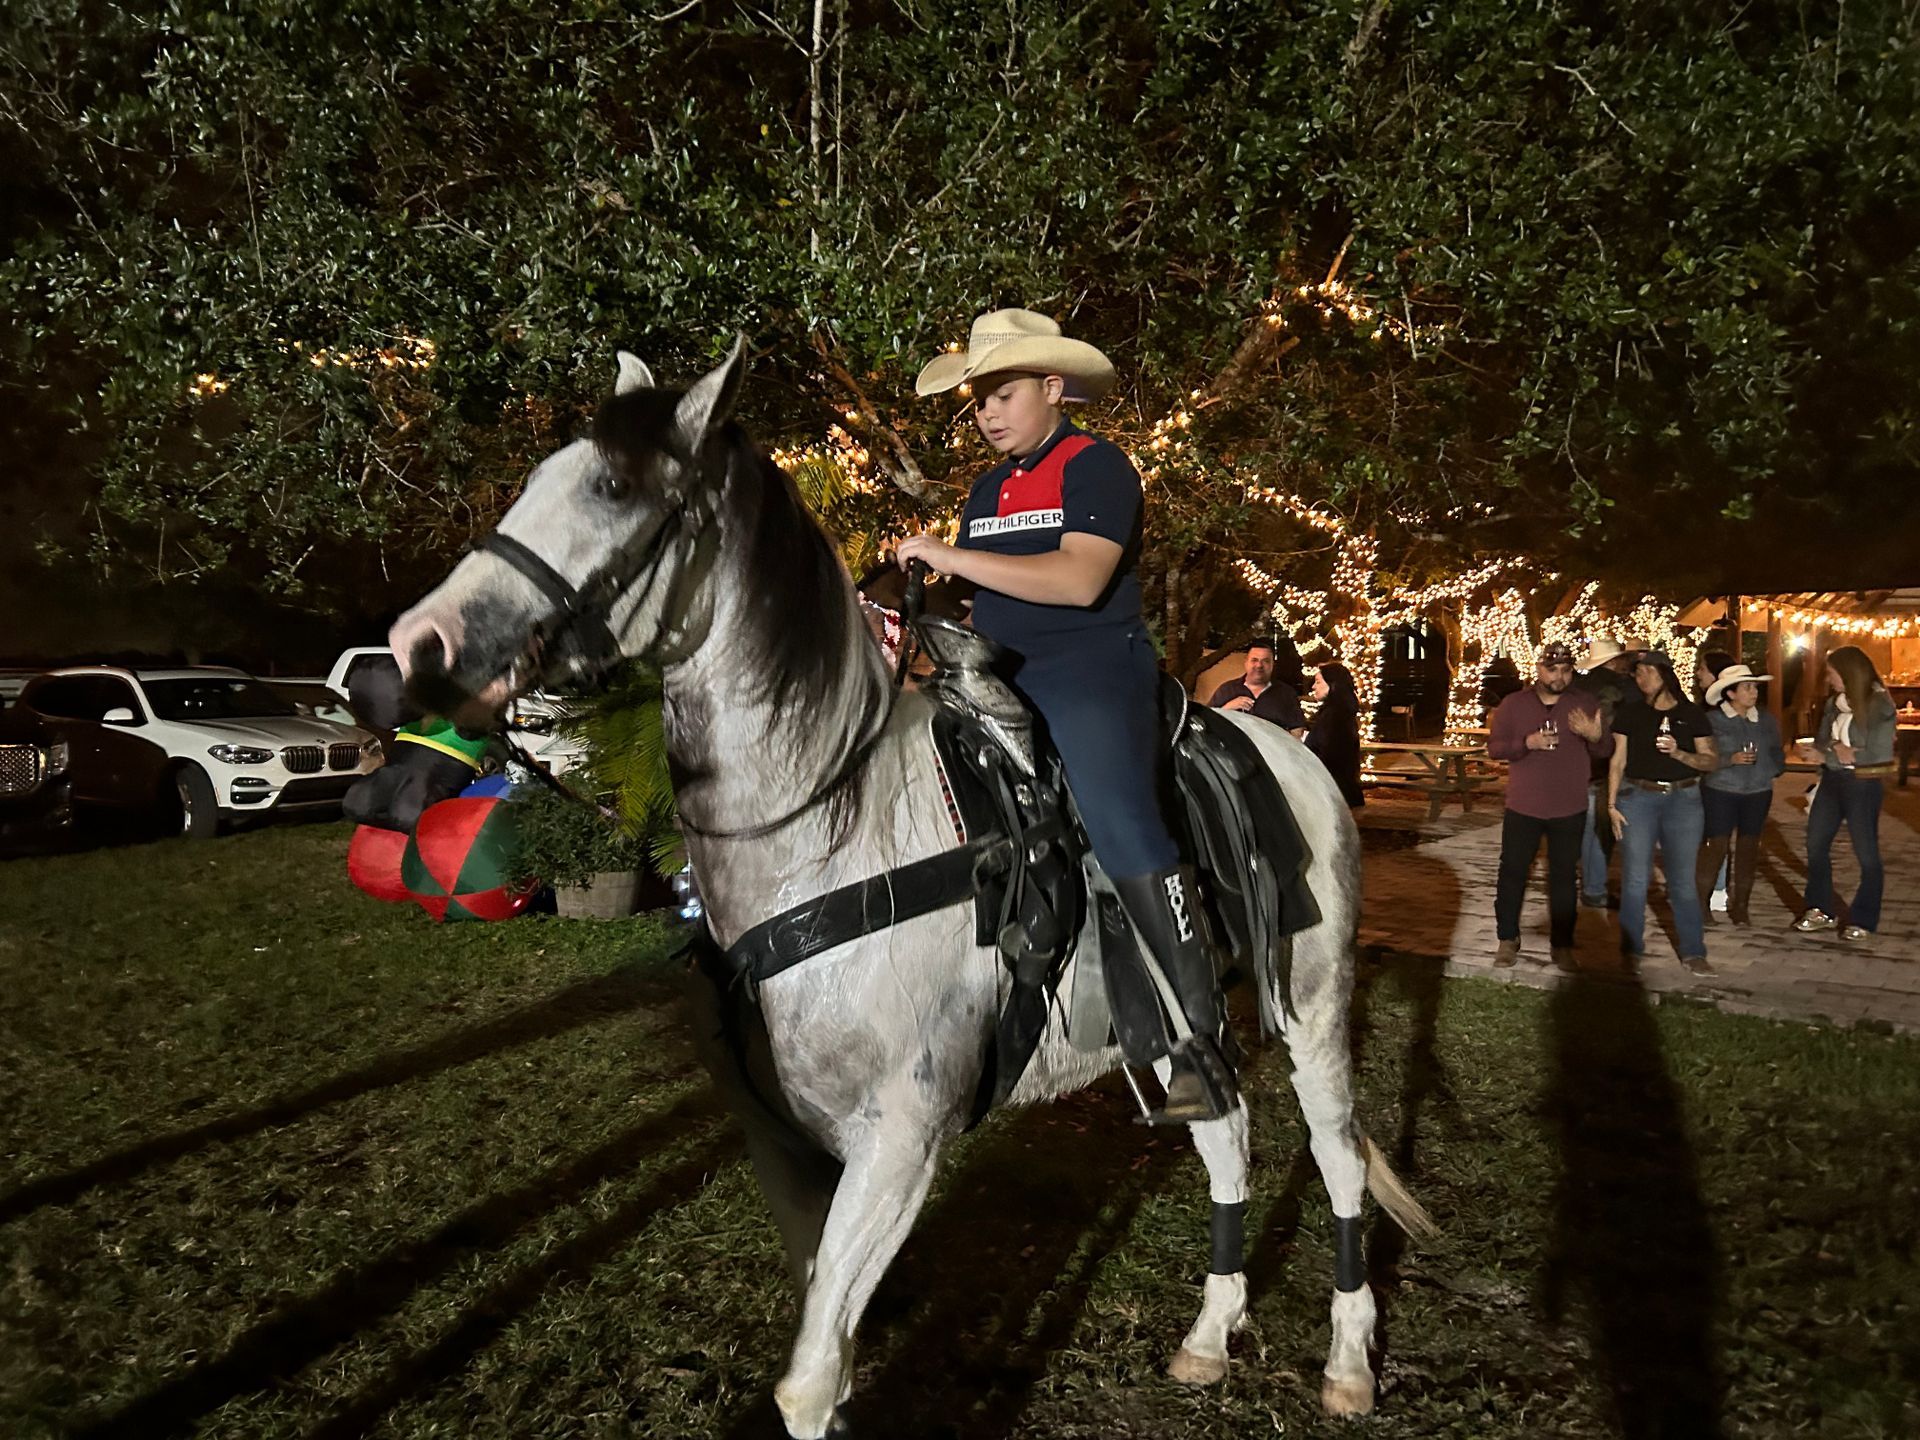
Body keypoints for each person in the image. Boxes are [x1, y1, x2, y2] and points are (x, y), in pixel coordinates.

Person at [897, 308, 1234, 1121]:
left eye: (1001, 394)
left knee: (1120, 821)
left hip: (1088, 670)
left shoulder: (1098, 467)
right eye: (977, 401)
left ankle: (1200, 1038)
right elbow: (990, 586)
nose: (985, 413)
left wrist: (945, 554)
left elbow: (1080, 581)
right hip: (997, 670)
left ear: (1053, 387)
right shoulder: (987, 489)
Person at [1485, 642, 1611, 970]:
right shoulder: (1514, 704)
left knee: (1564, 877)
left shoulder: (1583, 702)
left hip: (1569, 805)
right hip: (1524, 805)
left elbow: (1604, 751)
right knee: (1512, 873)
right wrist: (1526, 743)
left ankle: (1563, 944)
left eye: (1566, 670)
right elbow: (1495, 748)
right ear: (1538, 669)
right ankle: (1507, 938)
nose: (1559, 676)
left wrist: (1596, 735)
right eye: (1552, 669)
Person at [1607, 651, 1718, 975]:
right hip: (1639, 797)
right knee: (1636, 878)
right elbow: (1617, 761)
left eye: (1647, 673)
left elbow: (1711, 760)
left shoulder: (1690, 714)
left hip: (1683, 799)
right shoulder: (1630, 713)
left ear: (1666, 675)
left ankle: (1693, 951)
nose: (1641, 679)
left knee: (1682, 880)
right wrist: (1611, 805)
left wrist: (1679, 753)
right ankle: (1630, 948)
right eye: (1637, 673)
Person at [1794, 645, 1896, 940]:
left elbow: (1876, 754)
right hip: (1832, 781)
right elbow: (1825, 740)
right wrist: (1834, 750)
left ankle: (1863, 919)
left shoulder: (1879, 705)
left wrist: (1831, 755)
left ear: (1849, 673)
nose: (1828, 679)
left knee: (1866, 854)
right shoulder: (1834, 704)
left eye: (1831, 673)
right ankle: (1820, 908)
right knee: (1815, 844)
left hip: (1862, 785)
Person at [1700, 664, 1784, 927]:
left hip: (1757, 791)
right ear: (1731, 693)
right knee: (1716, 847)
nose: (1753, 692)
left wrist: (1772, 769)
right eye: (1747, 687)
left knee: (1748, 848)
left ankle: (1741, 906)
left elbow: (1776, 750)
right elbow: (1705, 756)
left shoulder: (1766, 720)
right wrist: (1729, 759)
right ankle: (1701, 904)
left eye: (1755, 687)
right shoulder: (1713, 721)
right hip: (1721, 790)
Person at [1571, 637, 1637, 908]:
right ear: (1614, 661)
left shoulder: (1575, 688)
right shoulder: (1624, 689)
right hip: (1609, 765)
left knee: (1588, 828)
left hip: (1577, 766)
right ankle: (1594, 887)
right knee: (1602, 830)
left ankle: (1591, 885)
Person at [1690, 647, 1739, 912]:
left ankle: (1716, 889)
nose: (1698, 673)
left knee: (1714, 836)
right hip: (1708, 779)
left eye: (1703, 668)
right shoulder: (1705, 708)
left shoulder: (1720, 713)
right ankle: (1713, 888)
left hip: (1718, 781)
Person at [1303, 663, 1365, 807]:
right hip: (1338, 792)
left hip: (1332, 794)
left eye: (1318, 682)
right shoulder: (1339, 712)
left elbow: (1329, 756)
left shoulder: (1334, 716)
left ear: (1333, 685)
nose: (1313, 687)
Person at [1208, 640, 1305, 728]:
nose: (1259, 665)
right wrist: (1226, 709)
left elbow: (1297, 730)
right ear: (1246, 663)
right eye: (1254, 660)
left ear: (1272, 665)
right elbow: (1207, 723)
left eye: (1265, 661)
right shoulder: (1226, 690)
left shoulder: (1286, 694)